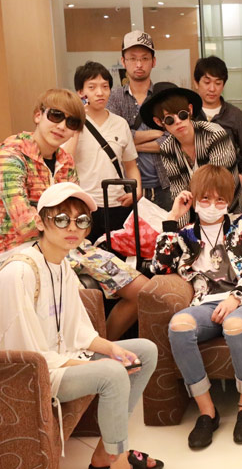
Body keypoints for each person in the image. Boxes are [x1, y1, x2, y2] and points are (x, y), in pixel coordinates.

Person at [0, 182, 160, 469]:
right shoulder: (19, 272)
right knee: (113, 373)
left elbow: (78, 332)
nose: (72, 227)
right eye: (62, 219)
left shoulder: (62, 264)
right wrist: (100, 364)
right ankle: (117, 460)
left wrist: (112, 349)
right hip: (34, 374)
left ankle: (106, 453)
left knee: (144, 351)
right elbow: (26, 357)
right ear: (41, 222)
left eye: (81, 220)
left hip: (63, 358)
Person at [0, 88, 147, 341]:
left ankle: (101, 349)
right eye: (55, 115)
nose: (62, 126)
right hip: (22, 250)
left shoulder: (65, 160)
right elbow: (23, 223)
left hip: (71, 246)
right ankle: (83, 353)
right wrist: (70, 228)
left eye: (72, 122)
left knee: (142, 291)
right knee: (78, 297)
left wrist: (72, 231)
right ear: (38, 115)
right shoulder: (11, 156)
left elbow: (79, 216)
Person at [152, 165, 242, 448]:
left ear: (229, 201)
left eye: (220, 200)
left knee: (235, 324)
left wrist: (236, 297)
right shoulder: (185, 234)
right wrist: (172, 218)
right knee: (178, 326)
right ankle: (207, 412)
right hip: (206, 303)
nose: (212, 206)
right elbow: (159, 266)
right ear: (194, 198)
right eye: (205, 198)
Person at [139, 83, 242, 225]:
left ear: (190, 110)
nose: (178, 122)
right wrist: (180, 228)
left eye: (182, 115)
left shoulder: (214, 135)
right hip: (196, 216)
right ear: (159, 122)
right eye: (170, 119)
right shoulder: (167, 148)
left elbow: (216, 185)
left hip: (227, 211)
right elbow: (179, 193)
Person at [64, 61, 142, 243]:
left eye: (105, 87)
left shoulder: (120, 123)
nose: (100, 92)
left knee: (120, 255)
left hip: (118, 204)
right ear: (80, 92)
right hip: (84, 205)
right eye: (92, 87)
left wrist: (137, 191)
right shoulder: (70, 123)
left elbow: (131, 165)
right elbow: (65, 161)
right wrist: (76, 123)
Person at [107, 30, 172, 211]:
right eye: (133, 59)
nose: (139, 64)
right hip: (127, 188)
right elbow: (114, 138)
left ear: (154, 61)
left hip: (165, 186)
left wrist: (129, 146)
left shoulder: (163, 95)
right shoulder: (114, 97)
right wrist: (155, 134)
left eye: (144, 58)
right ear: (123, 62)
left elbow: (171, 139)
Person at [193, 56, 242, 192]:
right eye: (207, 82)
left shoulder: (235, 115)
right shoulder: (188, 115)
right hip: (196, 188)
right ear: (196, 83)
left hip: (229, 188)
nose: (212, 89)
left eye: (218, 83)